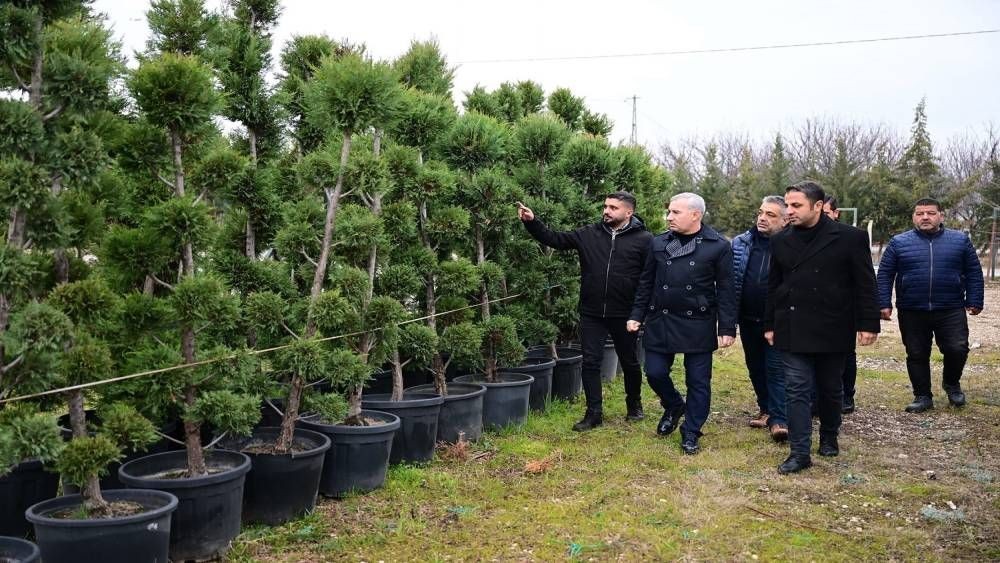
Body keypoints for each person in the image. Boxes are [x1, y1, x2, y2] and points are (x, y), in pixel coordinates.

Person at [764, 181, 880, 474]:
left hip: (834, 325)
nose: (789, 211)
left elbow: (865, 283)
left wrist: (868, 323)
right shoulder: (780, 240)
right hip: (792, 326)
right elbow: (773, 286)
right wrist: (770, 323)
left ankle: (829, 435)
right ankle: (799, 452)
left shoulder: (850, 238)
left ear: (818, 206)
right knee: (797, 389)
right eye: (788, 205)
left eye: (796, 205)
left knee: (830, 389)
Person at [518, 191, 653, 431]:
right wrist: (532, 222)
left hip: (624, 313)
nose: (607, 211)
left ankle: (634, 404)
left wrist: (639, 313)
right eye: (605, 206)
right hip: (592, 311)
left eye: (613, 208)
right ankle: (594, 413)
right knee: (590, 362)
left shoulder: (644, 240)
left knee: (630, 361)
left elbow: (647, 280)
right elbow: (555, 239)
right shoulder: (589, 234)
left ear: (628, 212)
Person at [627, 192, 736, 455]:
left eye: (675, 212)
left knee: (698, 381)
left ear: (695, 214)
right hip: (661, 318)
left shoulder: (717, 245)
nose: (669, 217)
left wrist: (727, 327)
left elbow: (726, 288)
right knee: (654, 372)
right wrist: (636, 314)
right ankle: (674, 404)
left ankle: (691, 431)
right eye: (669, 212)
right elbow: (646, 283)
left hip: (697, 320)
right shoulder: (658, 243)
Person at [876, 198, 984, 413]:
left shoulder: (960, 240)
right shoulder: (899, 242)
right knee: (916, 353)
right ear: (914, 216)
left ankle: (952, 384)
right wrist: (883, 303)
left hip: (950, 307)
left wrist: (974, 300)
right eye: (920, 213)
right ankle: (922, 395)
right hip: (912, 308)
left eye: (930, 213)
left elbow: (973, 272)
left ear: (940, 215)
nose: (925, 217)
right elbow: (885, 274)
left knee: (957, 348)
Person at [732, 196, 789, 441]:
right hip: (747, 317)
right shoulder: (741, 243)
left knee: (776, 368)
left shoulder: (791, 245)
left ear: (786, 221)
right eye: (761, 212)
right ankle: (765, 409)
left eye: (771, 215)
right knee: (755, 366)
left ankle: (780, 419)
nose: (762, 218)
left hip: (778, 321)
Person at [822, 195, 859, 414]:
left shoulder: (849, 238)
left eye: (826, 213)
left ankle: (846, 395)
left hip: (843, 307)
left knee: (845, 354)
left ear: (836, 213)